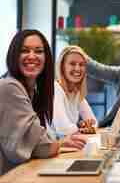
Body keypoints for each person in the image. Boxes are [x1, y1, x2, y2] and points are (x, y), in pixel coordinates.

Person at [0, 30, 87, 175]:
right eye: (24, 50)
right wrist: (57, 144)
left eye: (39, 51)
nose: (32, 56)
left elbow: (44, 139)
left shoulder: (34, 91)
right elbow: (42, 146)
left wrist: (56, 144)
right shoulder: (10, 87)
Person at [53, 45, 97, 136]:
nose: (77, 68)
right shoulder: (55, 89)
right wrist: (81, 126)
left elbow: (94, 123)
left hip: (69, 146)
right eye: (72, 64)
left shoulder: (76, 92)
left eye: (81, 65)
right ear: (62, 67)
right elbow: (63, 129)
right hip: (52, 148)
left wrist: (86, 125)